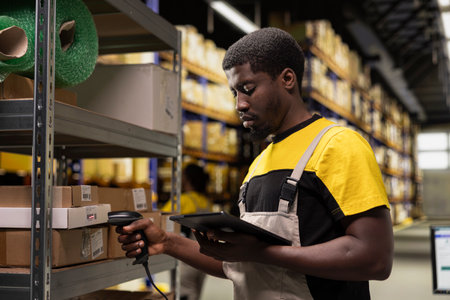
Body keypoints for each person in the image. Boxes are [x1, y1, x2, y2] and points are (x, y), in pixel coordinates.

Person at [117, 27, 394, 300]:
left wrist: (259, 253)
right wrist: (167, 242)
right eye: (234, 93)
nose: (240, 104)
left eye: (248, 89)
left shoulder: (337, 145)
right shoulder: (259, 164)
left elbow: (375, 258)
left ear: (287, 79)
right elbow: (240, 266)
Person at [161, 163, 212, 300]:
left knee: (184, 294)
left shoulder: (182, 200)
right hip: (205, 257)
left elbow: (162, 218)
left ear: (187, 178)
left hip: (186, 258)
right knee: (196, 294)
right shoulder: (206, 202)